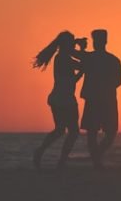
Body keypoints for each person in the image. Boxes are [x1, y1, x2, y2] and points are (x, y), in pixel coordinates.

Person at [31, 31, 84, 169]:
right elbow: (76, 74)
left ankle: (41, 152)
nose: (73, 44)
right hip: (65, 99)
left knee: (60, 130)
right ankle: (61, 161)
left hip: (58, 97)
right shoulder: (63, 58)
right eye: (71, 42)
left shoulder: (62, 57)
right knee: (73, 131)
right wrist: (82, 52)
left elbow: (78, 67)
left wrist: (79, 50)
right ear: (67, 44)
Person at [72, 29, 121, 168]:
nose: (96, 43)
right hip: (103, 99)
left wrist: (77, 45)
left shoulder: (98, 58)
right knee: (100, 132)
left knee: (101, 132)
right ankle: (97, 160)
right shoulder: (111, 59)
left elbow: (118, 81)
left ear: (104, 41)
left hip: (99, 99)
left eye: (97, 40)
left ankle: (96, 158)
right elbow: (118, 82)